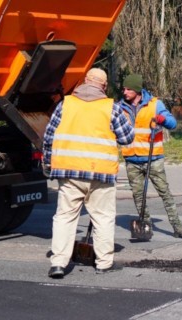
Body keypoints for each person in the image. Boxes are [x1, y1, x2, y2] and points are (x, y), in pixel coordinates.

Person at [43, 68, 135, 279]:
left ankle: (58, 263)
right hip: (100, 174)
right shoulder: (110, 107)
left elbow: (49, 136)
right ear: (103, 86)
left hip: (69, 171)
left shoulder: (66, 104)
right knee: (103, 217)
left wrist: (48, 163)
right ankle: (103, 263)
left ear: (84, 82)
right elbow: (127, 138)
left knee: (65, 217)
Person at [117, 74, 182, 239]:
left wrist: (161, 119)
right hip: (131, 159)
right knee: (138, 195)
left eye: (128, 89)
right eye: (124, 88)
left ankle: (177, 226)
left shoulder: (155, 104)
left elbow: (172, 123)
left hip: (153, 158)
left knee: (164, 192)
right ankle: (145, 227)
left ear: (137, 90)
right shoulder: (120, 107)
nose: (125, 92)